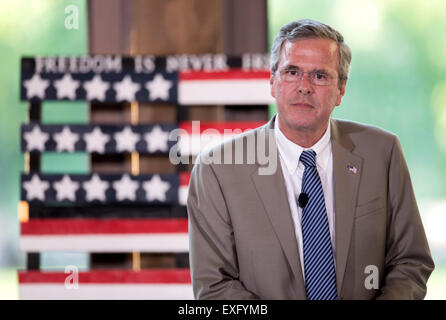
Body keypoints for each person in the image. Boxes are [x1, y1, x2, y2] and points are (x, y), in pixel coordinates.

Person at [187, 18, 434, 300]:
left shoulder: (383, 152)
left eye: (320, 76)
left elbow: (410, 263)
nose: (304, 86)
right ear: (272, 82)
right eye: (292, 72)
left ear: (341, 90)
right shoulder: (217, 170)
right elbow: (214, 287)